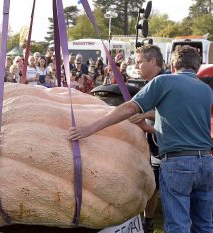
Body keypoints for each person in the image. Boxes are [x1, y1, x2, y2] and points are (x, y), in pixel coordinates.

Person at [68, 45, 213, 233]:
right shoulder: (206, 90)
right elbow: (184, 127)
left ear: (173, 64)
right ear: (197, 66)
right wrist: (147, 127)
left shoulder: (163, 82)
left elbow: (130, 108)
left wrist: (90, 128)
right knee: (204, 224)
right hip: (206, 163)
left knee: (178, 225)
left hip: (178, 163)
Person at [128, 45, 164, 233]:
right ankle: (148, 222)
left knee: (162, 190)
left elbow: (168, 115)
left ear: (153, 61)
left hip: (166, 149)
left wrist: (143, 115)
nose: (136, 66)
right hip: (154, 145)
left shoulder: (164, 82)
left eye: (140, 62)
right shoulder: (151, 83)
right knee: (152, 187)